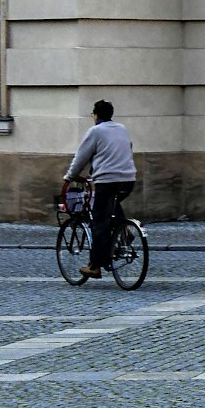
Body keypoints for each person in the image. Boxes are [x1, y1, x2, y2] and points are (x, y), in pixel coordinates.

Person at [67, 99, 138, 282]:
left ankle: (95, 266)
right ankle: (124, 231)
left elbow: (81, 156)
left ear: (96, 115)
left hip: (107, 181)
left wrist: (69, 177)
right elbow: (127, 149)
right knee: (112, 206)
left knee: (99, 221)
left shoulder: (96, 131)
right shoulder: (122, 129)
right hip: (128, 180)